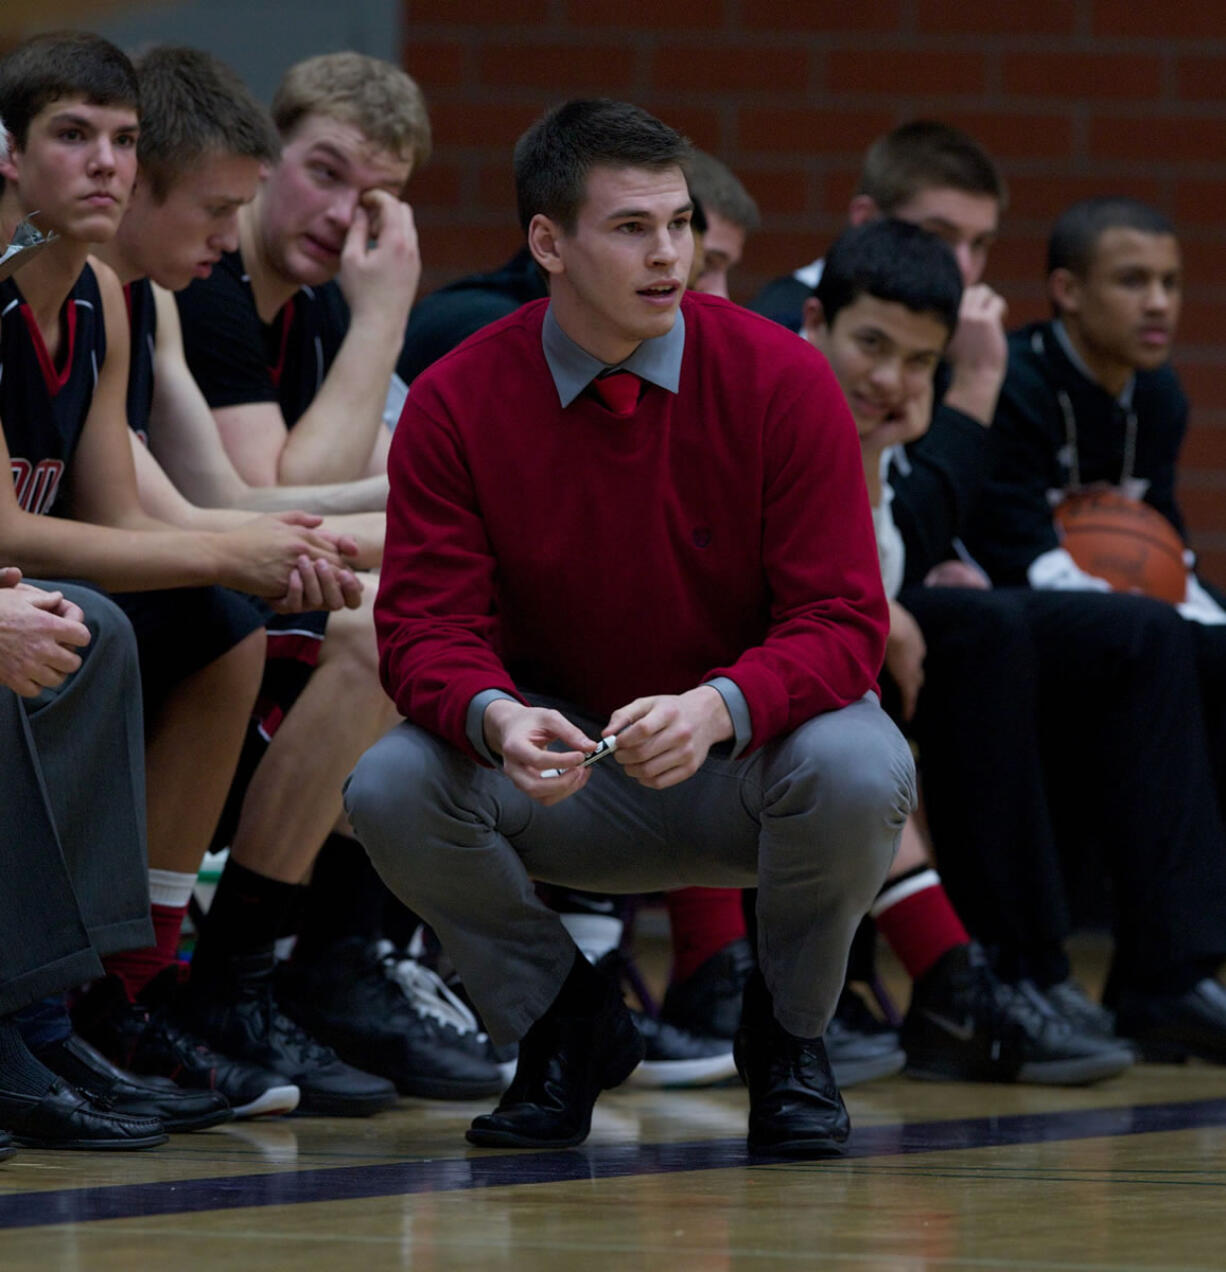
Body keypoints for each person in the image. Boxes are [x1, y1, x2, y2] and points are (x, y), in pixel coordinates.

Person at [344, 98, 915, 1157]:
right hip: (556, 772)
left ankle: (788, 1041)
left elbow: (842, 621)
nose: (670, 256)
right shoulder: (458, 399)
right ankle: (565, 1025)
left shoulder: (783, 381)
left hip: (745, 762)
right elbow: (421, 627)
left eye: (680, 224)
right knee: (389, 782)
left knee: (858, 759)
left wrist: (718, 707)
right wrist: (496, 719)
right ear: (547, 243)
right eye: (631, 229)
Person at [157, 49, 502, 1104]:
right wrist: (388, 310)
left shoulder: (312, 313)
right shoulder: (207, 286)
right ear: (265, 160)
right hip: (193, 598)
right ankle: (242, 974)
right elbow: (289, 492)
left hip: (260, 589)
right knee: (387, 627)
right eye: (325, 172)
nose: (342, 213)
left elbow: (359, 501)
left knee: (444, 608)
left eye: (376, 198)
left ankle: (337, 964)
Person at [804, 217, 1157, 1083]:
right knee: (851, 713)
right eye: (871, 345)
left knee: (898, 687)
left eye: (919, 361)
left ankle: (986, 974)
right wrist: (878, 609)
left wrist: (884, 446)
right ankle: (949, 977)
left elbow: (870, 567)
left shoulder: (873, 432)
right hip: (704, 692)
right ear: (814, 324)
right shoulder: (767, 407)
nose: (889, 377)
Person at [960, 197, 1226, 1060]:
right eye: (1133, 280)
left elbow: (1163, 541)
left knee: (1207, 641)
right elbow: (1011, 541)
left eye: (1172, 283)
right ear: (1068, 291)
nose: (1159, 302)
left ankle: (1172, 970)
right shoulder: (1021, 382)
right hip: (997, 601)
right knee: (1158, 639)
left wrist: (1200, 610)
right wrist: (1160, 610)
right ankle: (1166, 972)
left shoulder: (1161, 397)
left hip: (1097, 610)